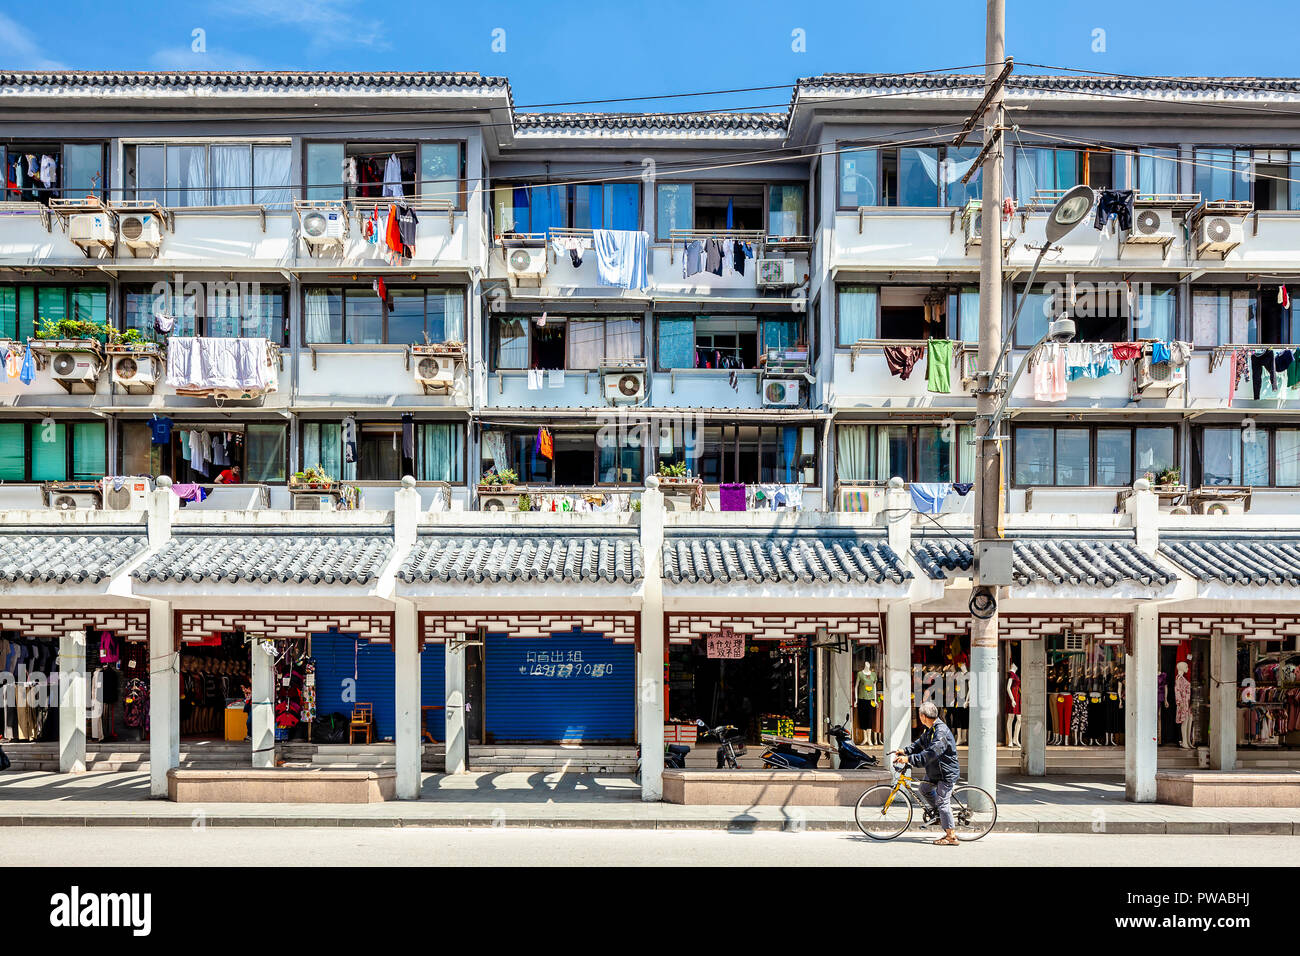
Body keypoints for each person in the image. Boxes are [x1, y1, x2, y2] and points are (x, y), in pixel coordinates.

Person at [892, 700, 961, 846]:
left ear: (923, 716)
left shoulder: (940, 732)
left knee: (943, 802)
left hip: (945, 773)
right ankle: (939, 816)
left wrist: (908, 759)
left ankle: (951, 836)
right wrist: (906, 750)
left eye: (919, 715)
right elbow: (919, 743)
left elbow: (929, 754)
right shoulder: (931, 729)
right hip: (935, 771)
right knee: (924, 788)